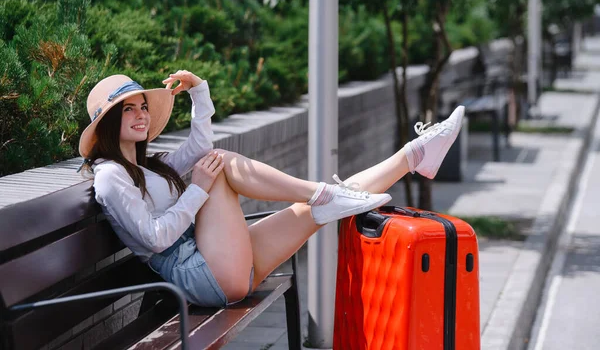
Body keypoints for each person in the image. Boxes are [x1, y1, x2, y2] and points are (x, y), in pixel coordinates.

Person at [79, 71, 464, 308]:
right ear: (109, 121)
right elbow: (155, 239)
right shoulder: (110, 177)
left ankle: (413, 156)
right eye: (128, 109)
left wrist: (199, 92)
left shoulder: (146, 165)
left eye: (143, 106)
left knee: (315, 210)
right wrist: (197, 191)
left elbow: (198, 146)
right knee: (221, 163)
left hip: (216, 264)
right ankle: (320, 192)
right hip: (197, 274)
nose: (141, 114)